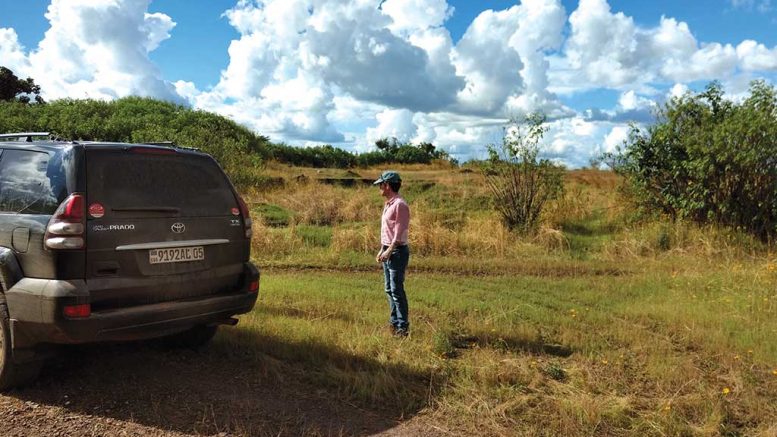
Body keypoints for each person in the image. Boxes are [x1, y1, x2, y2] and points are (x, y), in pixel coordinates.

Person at [374, 170, 411, 337]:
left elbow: (400, 230)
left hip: (397, 251)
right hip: (388, 249)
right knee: (389, 289)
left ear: (387, 185)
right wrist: (382, 248)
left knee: (397, 290)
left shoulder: (400, 205)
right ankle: (394, 323)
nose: (379, 188)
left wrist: (389, 250)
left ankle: (402, 327)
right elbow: (387, 231)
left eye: (380, 185)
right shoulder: (389, 203)